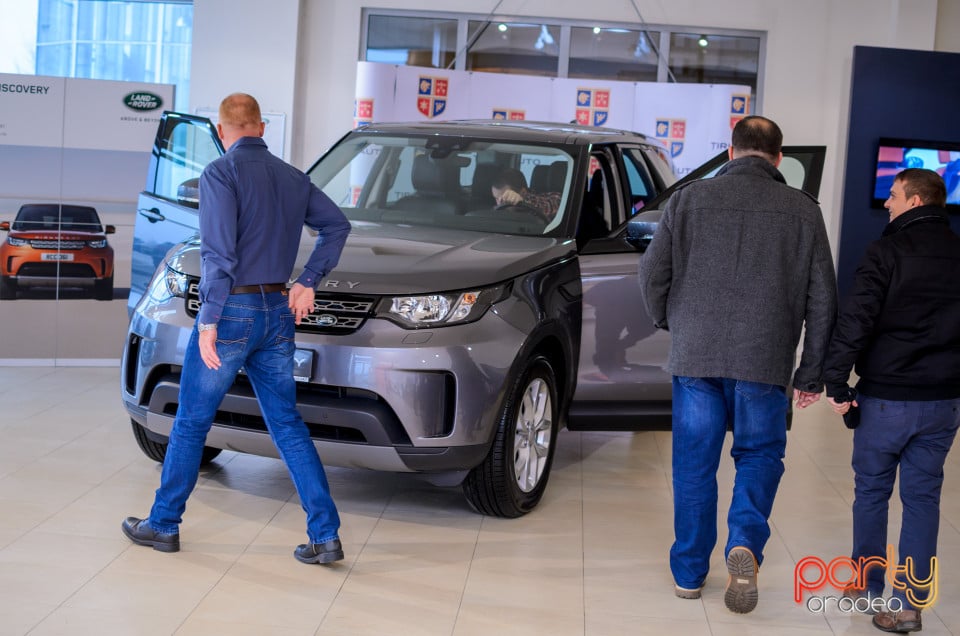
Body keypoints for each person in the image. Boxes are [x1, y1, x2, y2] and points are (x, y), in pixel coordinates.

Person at [122, 93, 352, 565]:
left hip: (231, 313)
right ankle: (325, 535)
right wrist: (308, 281)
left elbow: (219, 256)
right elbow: (337, 226)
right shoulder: (293, 178)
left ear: (222, 131)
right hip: (277, 312)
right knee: (287, 424)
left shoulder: (219, 173)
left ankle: (163, 524)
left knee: (191, 421)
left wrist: (207, 321)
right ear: (262, 127)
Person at [639, 115, 837, 613]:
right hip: (764, 359)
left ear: (730, 154)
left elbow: (651, 272)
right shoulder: (802, 210)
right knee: (759, 456)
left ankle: (688, 573)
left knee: (693, 467)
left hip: (696, 355)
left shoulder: (687, 199)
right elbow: (823, 300)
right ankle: (743, 544)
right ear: (778, 159)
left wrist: (669, 320)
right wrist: (810, 372)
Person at [824, 168, 960, 633]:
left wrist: (836, 383)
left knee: (872, 493)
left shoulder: (886, 252)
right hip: (943, 401)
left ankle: (866, 586)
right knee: (923, 498)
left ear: (918, 201)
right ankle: (907, 606)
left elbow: (856, 321)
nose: (888, 204)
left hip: (885, 399)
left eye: (895, 196)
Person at [490, 167, 561, 221]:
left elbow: (556, 201)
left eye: (504, 198)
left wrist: (523, 202)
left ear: (523, 192)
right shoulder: (495, 210)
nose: (499, 204)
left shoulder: (553, 199)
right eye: (496, 198)